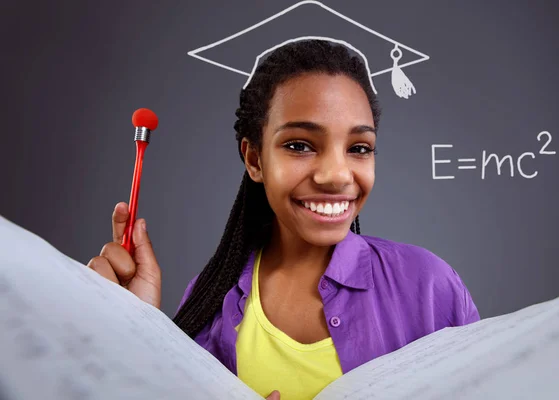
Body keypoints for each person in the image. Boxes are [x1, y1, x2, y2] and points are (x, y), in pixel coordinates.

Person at [88, 39, 480, 400]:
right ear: (255, 159)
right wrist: (142, 335)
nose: (337, 175)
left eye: (359, 148)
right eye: (299, 145)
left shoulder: (430, 289)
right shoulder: (208, 305)